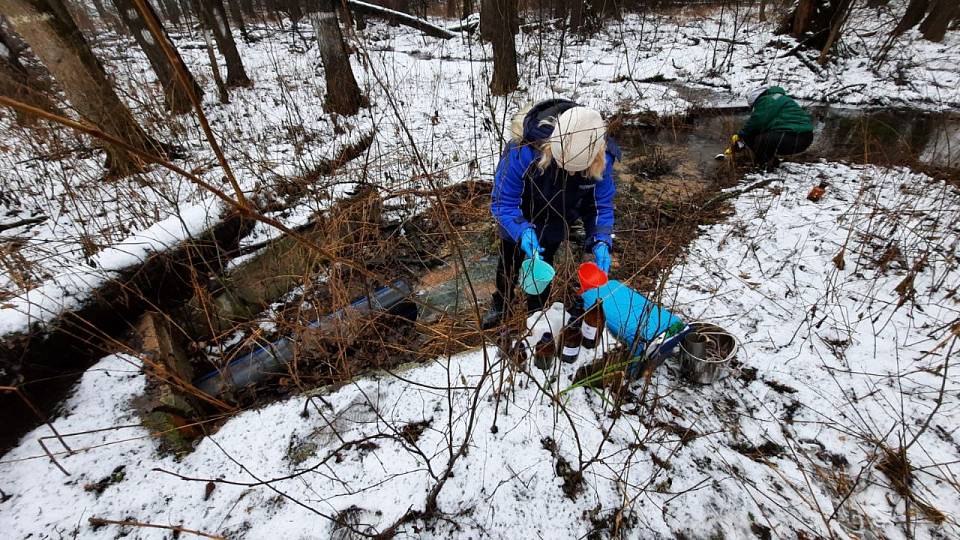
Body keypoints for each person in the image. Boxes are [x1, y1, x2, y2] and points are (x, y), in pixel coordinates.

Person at [482, 99, 621, 329]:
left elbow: (600, 207)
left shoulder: (601, 158)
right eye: (565, 167)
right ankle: (502, 302)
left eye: (579, 170)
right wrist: (521, 229)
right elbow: (503, 203)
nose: (573, 176)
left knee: (544, 264)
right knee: (508, 261)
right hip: (518, 216)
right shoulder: (523, 151)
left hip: (558, 220)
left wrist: (600, 239)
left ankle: (535, 313)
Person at [733, 86, 814, 170]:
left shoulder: (768, 100)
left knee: (757, 138)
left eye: (754, 106)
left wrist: (741, 135)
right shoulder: (778, 98)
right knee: (760, 136)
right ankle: (771, 162)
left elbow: (757, 121)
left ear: (756, 100)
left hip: (794, 137)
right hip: (805, 138)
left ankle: (764, 165)